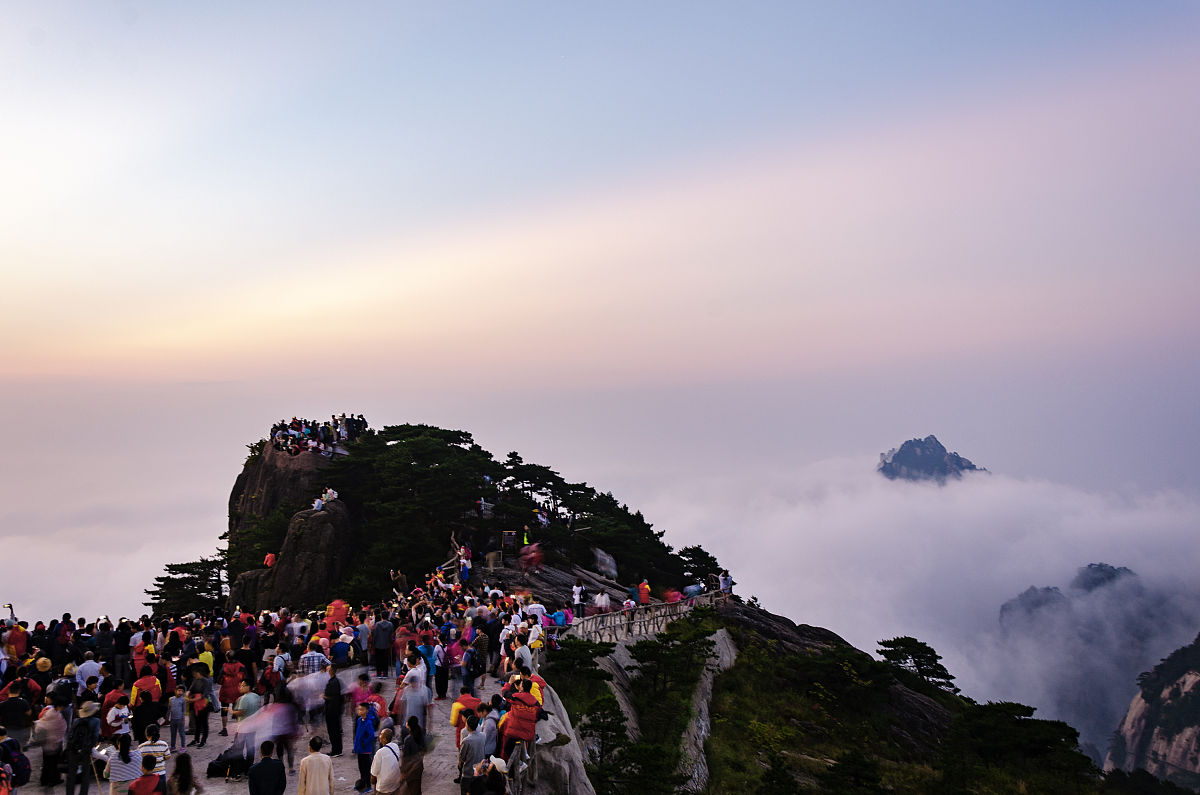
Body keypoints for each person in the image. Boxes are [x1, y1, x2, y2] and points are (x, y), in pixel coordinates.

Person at [65, 700, 102, 795]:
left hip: (73, 749)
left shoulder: (76, 721)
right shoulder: (96, 721)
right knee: (85, 774)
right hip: (86, 750)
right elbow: (95, 737)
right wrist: (90, 748)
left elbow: (70, 735)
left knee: (71, 774)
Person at [456, 715, 488, 791]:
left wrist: (460, 762)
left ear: (468, 726)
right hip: (480, 771)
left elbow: (463, 757)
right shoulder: (483, 736)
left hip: (469, 772)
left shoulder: (466, 741)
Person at [352, 702, 378, 792]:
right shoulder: (359, 720)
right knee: (361, 768)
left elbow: (371, 736)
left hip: (365, 750)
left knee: (366, 768)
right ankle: (362, 784)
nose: (359, 711)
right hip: (359, 749)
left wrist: (364, 743)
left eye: (362, 709)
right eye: (359, 709)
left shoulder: (368, 722)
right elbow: (358, 734)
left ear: (366, 711)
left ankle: (368, 786)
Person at [368, 727, 402, 795]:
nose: (379, 736)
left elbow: (373, 776)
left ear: (384, 739)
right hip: (395, 783)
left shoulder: (379, 753)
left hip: (383, 787)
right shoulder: (395, 746)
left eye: (381, 734)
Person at [397, 716, 425, 795]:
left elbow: (405, 758)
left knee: (410, 790)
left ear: (408, 725)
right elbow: (423, 750)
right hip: (419, 767)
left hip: (410, 769)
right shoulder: (420, 734)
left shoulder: (408, 740)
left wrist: (402, 772)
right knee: (417, 788)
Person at [322, 665, 344, 757]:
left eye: (327, 670)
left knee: (333, 731)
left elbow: (333, 696)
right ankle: (336, 749)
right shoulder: (334, 681)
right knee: (334, 731)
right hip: (334, 709)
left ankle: (336, 750)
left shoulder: (333, 682)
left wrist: (324, 696)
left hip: (332, 710)